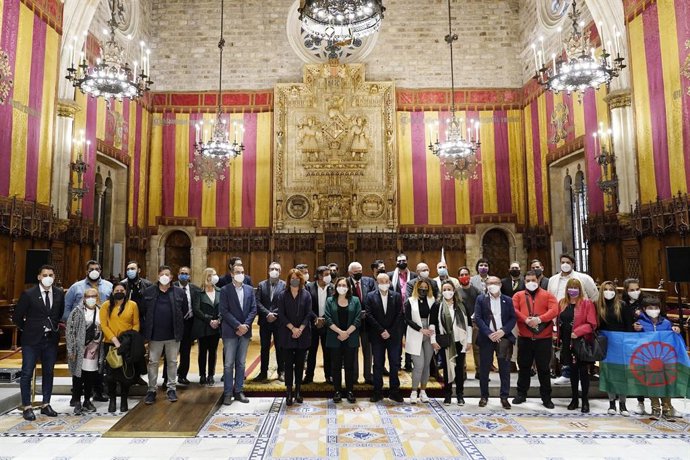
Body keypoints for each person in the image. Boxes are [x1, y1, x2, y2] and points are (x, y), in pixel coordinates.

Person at [13, 265, 65, 421]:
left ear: (54, 277)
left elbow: (59, 313)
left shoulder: (58, 293)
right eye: (45, 274)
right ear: (39, 277)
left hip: (50, 339)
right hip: (31, 340)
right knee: (27, 372)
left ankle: (46, 404)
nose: (48, 277)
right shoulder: (29, 294)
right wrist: (28, 329)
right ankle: (27, 406)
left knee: (48, 372)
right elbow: (17, 317)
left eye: (50, 274)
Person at [63, 260, 112, 404]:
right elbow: (66, 307)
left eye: (97, 268)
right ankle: (76, 395)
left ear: (101, 270)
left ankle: (97, 392)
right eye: (91, 269)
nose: (94, 271)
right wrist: (70, 325)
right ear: (86, 271)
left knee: (96, 366)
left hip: (99, 333)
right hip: (79, 333)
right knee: (78, 365)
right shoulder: (76, 287)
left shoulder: (108, 286)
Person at [547, 254, 598, 386]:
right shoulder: (553, 279)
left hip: (579, 317)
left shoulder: (584, 278)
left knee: (579, 349)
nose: (565, 264)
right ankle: (566, 373)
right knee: (564, 348)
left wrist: (585, 309)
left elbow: (594, 296)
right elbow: (550, 298)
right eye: (562, 262)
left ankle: (582, 374)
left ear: (573, 264)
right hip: (561, 315)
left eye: (568, 262)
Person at [141, 265, 188, 405]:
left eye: (167, 274)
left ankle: (171, 388)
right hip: (155, 335)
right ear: (158, 276)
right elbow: (143, 311)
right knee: (153, 362)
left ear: (172, 277)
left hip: (173, 334)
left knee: (172, 362)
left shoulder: (179, 292)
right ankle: (151, 390)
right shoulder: (149, 292)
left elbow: (184, 310)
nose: (164, 277)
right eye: (162, 274)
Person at [511, 271, 558, 409]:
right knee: (524, 367)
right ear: (524, 282)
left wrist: (539, 319)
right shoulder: (518, 295)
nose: (531, 282)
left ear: (538, 280)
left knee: (544, 368)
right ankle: (521, 394)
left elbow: (554, 310)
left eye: (533, 280)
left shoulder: (547, 295)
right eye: (528, 280)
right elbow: (513, 310)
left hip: (543, 338)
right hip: (525, 337)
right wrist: (525, 319)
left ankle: (546, 397)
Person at [633, 297, 683, 421]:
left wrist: (676, 331)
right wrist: (635, 330)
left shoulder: (666, 323)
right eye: (650, 308)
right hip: (648, 359)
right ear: (644, 309)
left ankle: (667, 408)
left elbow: (673, 337)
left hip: (664, 358)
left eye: (656, 308)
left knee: (666, 383)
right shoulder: (640, 323)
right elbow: (635, 339)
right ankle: (655, 408)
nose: (654, 310)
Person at [473, 276, 516, 409]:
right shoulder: (481, 299)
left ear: (500, 285)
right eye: (490, 283)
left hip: (503, 337)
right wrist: (489, 333)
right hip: (487, 337)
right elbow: (478, 318)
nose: (493, 285)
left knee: (504, 368)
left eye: (495, 283)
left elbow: (512, 318)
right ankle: (484, 396)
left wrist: (503, 331)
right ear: (486, 285)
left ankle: (504, 397)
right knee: (484, 368)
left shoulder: (507, 300)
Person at [219, 264, 257, 405]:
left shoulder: (249, 289)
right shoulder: (225, 290)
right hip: (230, 331)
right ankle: (228, 393)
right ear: (232, 274)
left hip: (245, 331)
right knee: (229, 364)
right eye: (237, 272)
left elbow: (253, 309)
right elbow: (224, 310)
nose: (240, 274)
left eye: (242, 271)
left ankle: (239, 391)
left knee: (241, 363)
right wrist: (237, 325)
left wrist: (245, 325)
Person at [558, 278, 598, 413]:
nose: (573, 290)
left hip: (580, 341)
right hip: (566, 342)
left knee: (583, 372)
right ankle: (574, 398)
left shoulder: (586, 303)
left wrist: (578, 332)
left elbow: (592, 324)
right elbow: (559, 322)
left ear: (580, 289)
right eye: (571, 287)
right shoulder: (562, 303)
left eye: (576, 287)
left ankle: (585, 400)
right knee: (572, 372)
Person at [596, 281, 635, 416]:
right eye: (605, 289)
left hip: (621, 344)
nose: (608, 292)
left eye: (611, 289)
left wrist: (629, 344)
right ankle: (611, 403)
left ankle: (623, 405)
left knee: (622, 374)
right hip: (605, 344)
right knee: (608, 373)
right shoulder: (598, 306)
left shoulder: (622, 305)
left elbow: (629, 326)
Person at [276, 269, 314, 405]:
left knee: (299, 364)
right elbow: (281, 314)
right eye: (292, 278)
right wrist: (292, 328)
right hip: (287, 333)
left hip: (302, 334)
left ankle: (298, 390)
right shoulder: (282, 295)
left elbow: (309, 313)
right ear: (288, 280)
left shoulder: (307, 295)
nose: (294, 280)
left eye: (297, 278)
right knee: (288, 365)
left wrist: (300, 329)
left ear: (301, 279)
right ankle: (288, 391)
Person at [100, 283, 140, 412]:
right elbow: (104, 325)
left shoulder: (132, 305)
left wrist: (129, 339)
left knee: (125, 374)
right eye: (116, 290)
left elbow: (136, 324)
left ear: (126, 291)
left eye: (121, 290)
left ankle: (124, 399)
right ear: (112, 292)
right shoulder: (106, 305)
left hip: (127, 344)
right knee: (111, 375)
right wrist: (114, 340)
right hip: (111, 343)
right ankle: (112, 399)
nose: (119, 292)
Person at [431, 280, 470, 406]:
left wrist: (468, 341)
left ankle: (460, 395)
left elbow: (469, 324)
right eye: (445, 289)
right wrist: (433, 340)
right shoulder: (437, 305)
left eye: (449, 289)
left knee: (459, 369)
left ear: (454, 291)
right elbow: (432, 324)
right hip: (445, 342)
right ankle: (447, 395)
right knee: (447, 369)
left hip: (460, 341)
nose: (447, 292)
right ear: (441, 292)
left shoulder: (461, 305)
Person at [366, 272, 404, 403]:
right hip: (377, 336)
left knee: (394, 364)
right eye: (380, 282)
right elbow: (369, 315)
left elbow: (400, 314)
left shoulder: (397, 296)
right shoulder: (370, 296)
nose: (384, 284)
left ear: (389, 282)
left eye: (386, 281)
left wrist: (390, 331)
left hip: (393, 336)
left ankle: (394, 391)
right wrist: (382, 330)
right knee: (378, 364)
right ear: (377, 283)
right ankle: (377, 392)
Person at [66, 287, 103, 415]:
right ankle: (77, 401)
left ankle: (87, 400)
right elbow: (70, 331)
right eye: (88, 296)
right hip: (79, 349)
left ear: (97, 297)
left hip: (95, 351)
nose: (91, 299)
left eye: (93, 296)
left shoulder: (101, 311)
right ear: (84, 298)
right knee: (78, 376)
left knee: (90, 376)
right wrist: (71, 349)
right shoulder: (77, 312)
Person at [325, 277, 361, 403]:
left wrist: (346, 333)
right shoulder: (330, 300)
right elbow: (328, 318)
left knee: (350, 366)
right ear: (336, 287)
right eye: (339, 285)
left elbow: (358, 319)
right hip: (335, 337)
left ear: (348, 287)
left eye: (344, 285)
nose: (342, 287)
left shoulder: (355, 300)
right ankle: (337, 391)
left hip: (350, 337)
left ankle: (350, 390)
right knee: (335, 366)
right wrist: (340, 332)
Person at [404, 279, 438, 403]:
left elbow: (434, 318)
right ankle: (414, 391)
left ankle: (423, 391)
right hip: (415, 332)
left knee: (426, 365)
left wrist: (430, 331)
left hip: (429, 333)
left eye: (425, 287)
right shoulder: (410, 301)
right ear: (416, 288)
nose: (423, 289)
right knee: (419, 365)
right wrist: (420, 329)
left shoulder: (432, 300)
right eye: (421, 287)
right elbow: (407, 319)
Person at [255, 262, 286, 382]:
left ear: (280, 271)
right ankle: (263, 373)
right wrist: (267, 313)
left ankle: (281, 372)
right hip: (264, 321)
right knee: (264, 348)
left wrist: (274, 314)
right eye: (272, 268)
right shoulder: (261, 285)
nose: (274, 270)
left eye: (277, 269)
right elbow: (257, 302)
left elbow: (284, 303)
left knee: (280, 348)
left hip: (279, 322)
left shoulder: (284, 285)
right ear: (268, 270)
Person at [621, 278, 649, 416]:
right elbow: (623, 323)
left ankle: (662, 403)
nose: (635, 292)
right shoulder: (622, 305)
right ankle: (640, 402)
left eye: (637, 289)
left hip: (648, 342)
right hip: (632, 341)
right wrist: (632, 326)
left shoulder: (646, 302)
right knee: (638, 373)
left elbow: (660, 317)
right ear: (626, 291)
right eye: (632, 290)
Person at [171, 266, 200, 385]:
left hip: (189, 322)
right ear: (178, 274)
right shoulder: (171, 287)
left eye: (186, 273)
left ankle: (183, 375)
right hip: (173, 324)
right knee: (171, 351)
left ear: (189, 276)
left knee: (185, 350)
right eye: (182, 273)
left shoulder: (195, 289)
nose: (184, 275)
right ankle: (168, 377)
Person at [348, 261, 376, 384]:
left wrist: (367, 312)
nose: (359, 273)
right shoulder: (345, 283)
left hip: (367, 322)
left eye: (360, 271)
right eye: (356, 272)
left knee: (367, 350)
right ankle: (353, 377)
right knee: (353, 350)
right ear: (350, 273)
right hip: (352, 323)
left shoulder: (369, 281)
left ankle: (368, 376)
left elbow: (374, 297)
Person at [192, 268, 221, 385]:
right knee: (203, 351)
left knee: (213, 352)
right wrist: (209, 320)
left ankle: (211, 375)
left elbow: (223, 307)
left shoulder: (220, 291)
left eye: (215, 274)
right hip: (203, 325)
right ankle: (202, 374)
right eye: (212, 275)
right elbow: (196, 309)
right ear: (207, 277)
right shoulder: (199, 292)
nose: (215, 277)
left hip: (216, 326)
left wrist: (218, 320)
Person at [305, 265, 333, 384]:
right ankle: (309, 376)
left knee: (328, 352)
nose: (329, 276)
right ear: (320, 276)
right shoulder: (309, 287)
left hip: (328, 324)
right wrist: (316, 318)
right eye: (326, 274)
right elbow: (306, 306)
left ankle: (329, 375)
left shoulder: (333, 287)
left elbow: (334, 306)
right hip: (313, 324)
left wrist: (325, 319)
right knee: (311, 351)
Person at [388, 253, 417, 371]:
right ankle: (397, 362)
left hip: (410, 313)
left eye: (404, 260)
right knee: (397, 339)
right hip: (396, 313)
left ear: (407, 261)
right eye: (399, 261)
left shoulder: (414, 276)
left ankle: (409, 362)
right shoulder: (390, 276)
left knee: (410, 338)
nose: (401, 263)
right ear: (396, 262)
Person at [457, 266, 482, 379]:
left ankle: (480, 372)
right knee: (462, 348)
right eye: (461, 275)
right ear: (458, 277)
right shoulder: (456, 291)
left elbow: (481, 305)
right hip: (461, 324)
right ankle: (462, 372)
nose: (464, 276)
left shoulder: (476, 290)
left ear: (470, 276)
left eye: (466, 274)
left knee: (477, 348)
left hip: (475, 322)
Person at [121, 261, 152, 326]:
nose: (130, 271)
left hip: (142, 319)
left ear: (139, 270)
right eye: (128, 269)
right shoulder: (122, 284)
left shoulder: (147, 284)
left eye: (132, 269)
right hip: (127, 319)